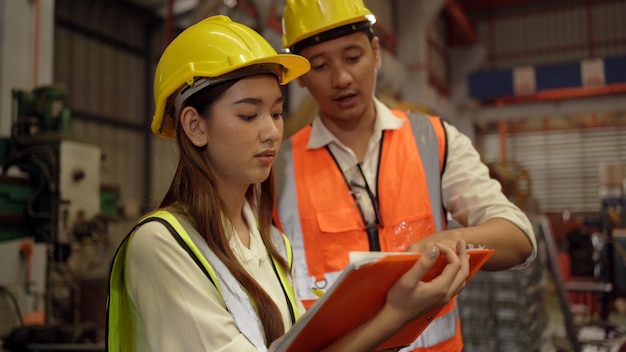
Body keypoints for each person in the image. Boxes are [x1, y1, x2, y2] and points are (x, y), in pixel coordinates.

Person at [106, 15, 471, 352]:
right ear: (195, 126)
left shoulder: (270, 242)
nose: (271, 132)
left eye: (277, 113)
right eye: (248, 115)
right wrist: (396, 314)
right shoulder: (162, 247)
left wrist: (399, 312)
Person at [273, 1, 538, 351]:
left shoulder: (435, 141)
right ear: (302, 78)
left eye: (353, 58)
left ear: (377, 52)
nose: (342, 79)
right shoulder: (278, 168)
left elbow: (518, 237)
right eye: (320, 66)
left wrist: (448, 242)